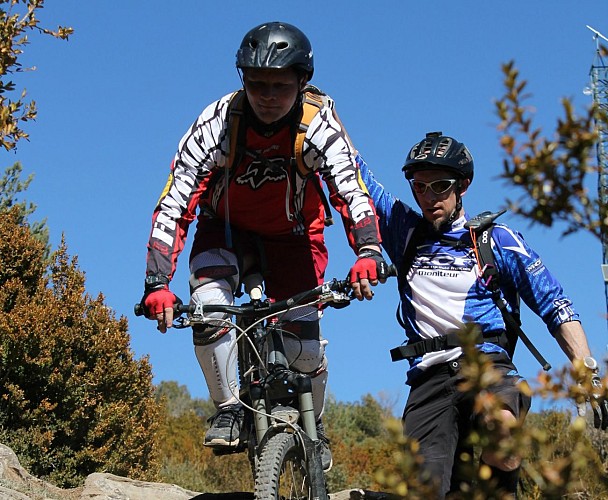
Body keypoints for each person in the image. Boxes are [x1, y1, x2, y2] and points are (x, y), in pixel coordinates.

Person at [140, 21, 387, 472]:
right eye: (256, 85)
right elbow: (176, 199)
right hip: (226, 230)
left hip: (295, 236)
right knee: (208, 306)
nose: (267, 96)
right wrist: (157, 281)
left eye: (279, 85)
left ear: (302, 82)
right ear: (243, 81)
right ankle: (228, 405)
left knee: (305, 349)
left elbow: (350, 189)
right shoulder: (216, 122)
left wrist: (368, 252)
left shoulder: (319, 124)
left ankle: (317, 425)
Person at [358, 131, 608, 497]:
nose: (429, 198)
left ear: (463, 186)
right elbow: (356, 173)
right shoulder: (405, 230)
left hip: (485, 363)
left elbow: (555, 303)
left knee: (504, 431)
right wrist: (320, 111)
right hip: (429, 379)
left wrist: (587, 372)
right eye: (419, 187)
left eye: (440, 186)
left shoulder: (497, 239)